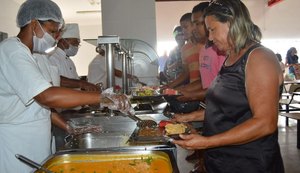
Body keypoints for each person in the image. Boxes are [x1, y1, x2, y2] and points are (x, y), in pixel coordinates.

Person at [0, 0, 131, 172]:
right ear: (33, 23)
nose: (54, 37)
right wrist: (103, 97)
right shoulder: (11, 50)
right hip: (18, 145)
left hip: (37, 143)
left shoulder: (31, 55)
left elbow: (40, 107)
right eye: (51, 31)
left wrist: (67, 126)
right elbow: (46, 96)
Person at [173, 0, 285, 172]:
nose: (209, 37)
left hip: (249, 163)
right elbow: (229, 109)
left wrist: (207, 142)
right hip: (222, 161)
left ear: (232, 23)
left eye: (212, 29)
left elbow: (265, 123)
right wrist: (189, 117)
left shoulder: (259, 58)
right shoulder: (230, 58)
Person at [166, 13, 201, 88]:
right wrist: (169, 86)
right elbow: (186, 73)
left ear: (194, 25)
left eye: (186, 27)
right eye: (182, 28)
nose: (183, 31)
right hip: (192, 90)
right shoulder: (185, 49)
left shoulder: (204, 45)